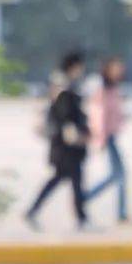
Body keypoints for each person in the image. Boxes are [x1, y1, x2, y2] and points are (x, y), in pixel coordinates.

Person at [25, 51, 92, 230]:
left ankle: (33, 211)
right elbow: (64, 115)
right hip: (67, 146)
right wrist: (74, 134)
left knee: (61, 179)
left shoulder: (63, 84)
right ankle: (82, 219)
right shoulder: (63, 86)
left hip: (65, 145)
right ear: (74, 66)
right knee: (74, 180)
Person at [84, 56, 129, 222]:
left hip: (113, 136)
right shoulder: (102, 91)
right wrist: (101, 139)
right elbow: (99, 116)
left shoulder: (114, 89)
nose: (119, 72)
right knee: (119, 175)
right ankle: (84, 198)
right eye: (116, 68)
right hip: (107, 138)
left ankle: (121, 213)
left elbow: (115, 114)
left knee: (118, 175)